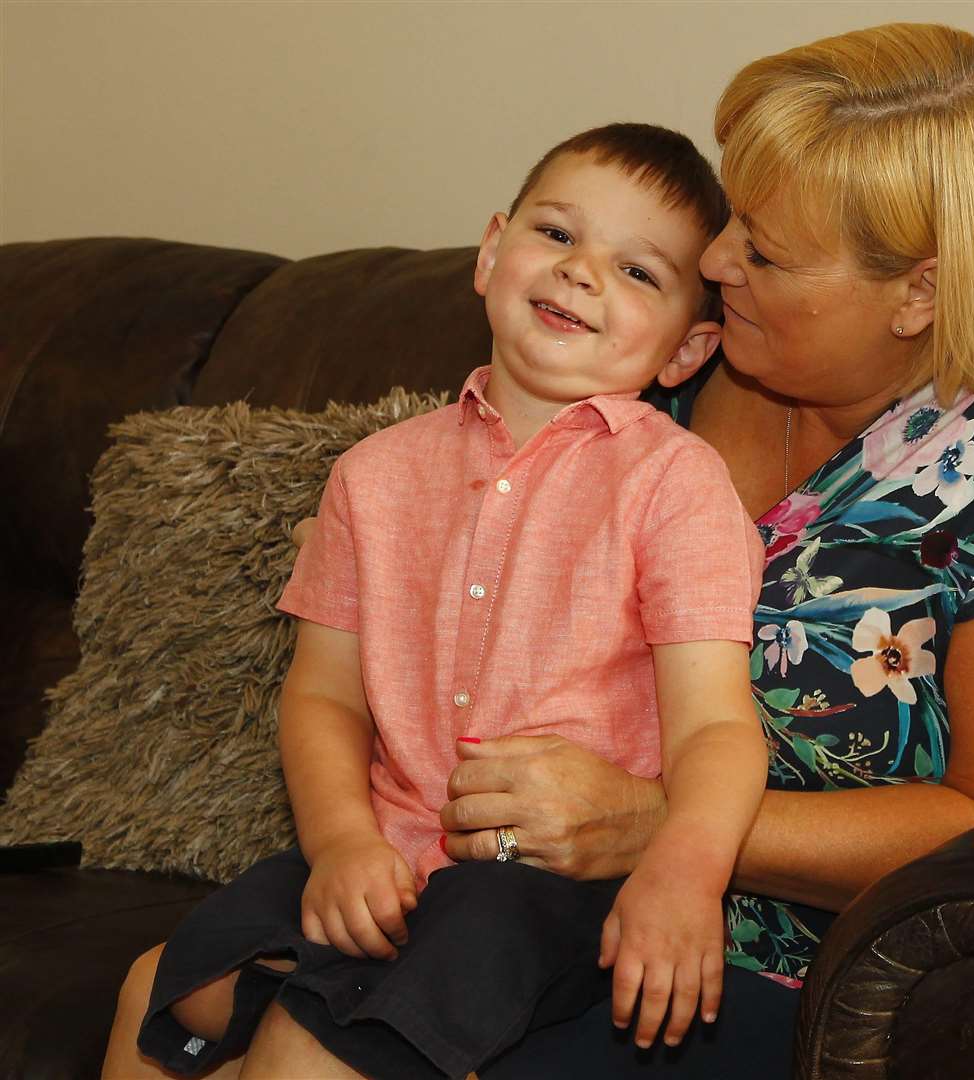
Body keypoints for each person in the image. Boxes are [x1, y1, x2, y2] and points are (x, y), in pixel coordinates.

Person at [430, 22, 974, 1078]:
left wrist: (667, 828)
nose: (715, 259)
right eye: (734, 218)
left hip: (781, 982)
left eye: (764, 252)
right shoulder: (668, 357)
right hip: (517, 909)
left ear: (919, 291)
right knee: (197, 1000)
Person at [103, 124, 769, 1079]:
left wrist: (684, 875)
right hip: (382, 844)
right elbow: (325, 695)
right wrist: (339, 843)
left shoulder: (676, 484)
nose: (582, 273)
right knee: (157, 992)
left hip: (545, 885)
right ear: (492, 251)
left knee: (313, 1047)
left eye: (637, 271)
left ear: (686, 350)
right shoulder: (372, 477)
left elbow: (715, 728)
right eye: (557, 233)